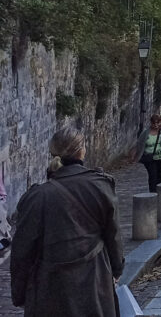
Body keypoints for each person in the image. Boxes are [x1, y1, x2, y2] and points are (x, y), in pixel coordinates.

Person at [9, 127, 124, 316]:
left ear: (52, 152)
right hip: (94, 282)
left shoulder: (37, 197)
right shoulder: (101, 186)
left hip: (50, 288)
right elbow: (113, 235)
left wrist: (20, 293)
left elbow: (22, 251)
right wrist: (116, 270)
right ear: (82, 150)